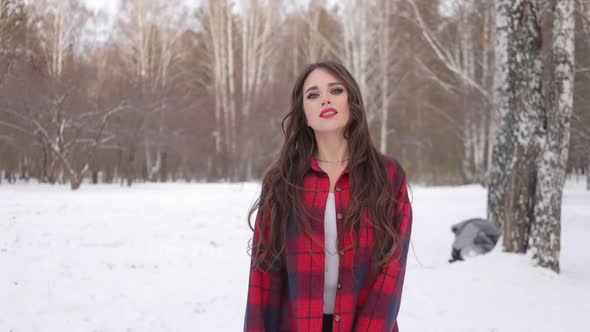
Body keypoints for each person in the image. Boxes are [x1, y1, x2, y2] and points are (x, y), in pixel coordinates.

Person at [244, 61, 413, 332]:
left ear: (351, 100)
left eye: (335, 90)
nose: (325, 99)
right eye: (313, 94)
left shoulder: (388, 177)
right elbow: (264, 280)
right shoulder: (282, 182)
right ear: (303, 113)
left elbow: (391, 273)